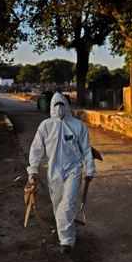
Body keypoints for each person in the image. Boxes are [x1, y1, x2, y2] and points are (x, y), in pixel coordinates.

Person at [27, 92, 95, 253]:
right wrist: (33, 170)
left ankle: (66, 241)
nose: (59, 108)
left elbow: (86, 149)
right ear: (51, 107)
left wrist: (90, 169)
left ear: (67, 105)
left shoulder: (78, 125)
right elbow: (36, 149)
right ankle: (68, 234)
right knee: (58, 204)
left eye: (61, 104)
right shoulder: (45, 126)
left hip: (74, 169)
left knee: (68, 204)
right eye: (55, 104)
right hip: (54, 170)